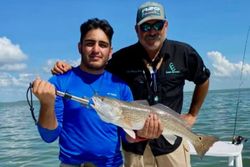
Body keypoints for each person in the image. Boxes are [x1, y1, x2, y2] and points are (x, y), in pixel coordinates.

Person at [51, 2, 210, 167]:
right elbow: (95, 67)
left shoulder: (184, 53)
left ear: (166, 26)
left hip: (171, 145)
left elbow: (203, 80)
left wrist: (192, 114)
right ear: (137, 30)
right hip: (135, 150)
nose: (152, 31)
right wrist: (71, 71)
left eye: (158, 25)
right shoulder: (121, 59)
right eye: (145, 27)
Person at [32, 18, 162, 167]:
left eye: (103, 45)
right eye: (89, 43)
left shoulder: (121, 87)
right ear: (80, 47)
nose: (96, 50)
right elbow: (49, 136)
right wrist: (46, 104)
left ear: (110, 51)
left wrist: (143, 134)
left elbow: (126, 136)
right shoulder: (59, 82)